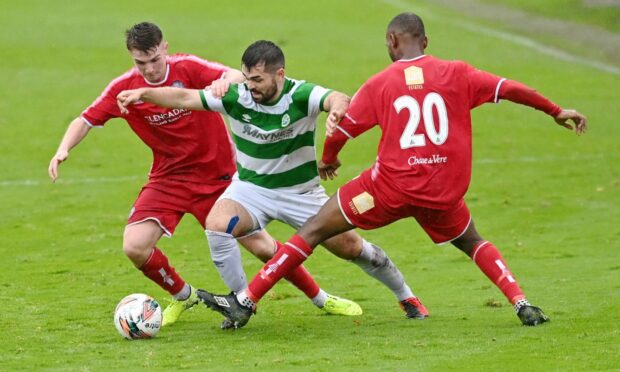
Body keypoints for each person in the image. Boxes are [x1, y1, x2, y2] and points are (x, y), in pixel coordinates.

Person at [194, 12, 588, 328]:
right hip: (444, 193)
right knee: (473, 242)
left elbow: (343, 129)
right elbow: (512, 88)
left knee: (313, 230)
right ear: (426, 42)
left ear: (390, 43)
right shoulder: (460, 73)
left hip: (386, 190)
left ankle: (245, 301)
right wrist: (555, 110)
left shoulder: (382, 83)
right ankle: (521, 302)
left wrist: (329, 158)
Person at [48, 22, 361, 329]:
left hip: (219, 179)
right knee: (135, 246)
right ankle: (183, 297)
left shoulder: (189, 67)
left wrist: (224, 82)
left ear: (165, 49)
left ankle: (321, 298)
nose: (150, 69)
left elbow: (237, 75)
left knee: (265, 248)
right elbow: (86, 119)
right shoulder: (124, 88)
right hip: (168, 180)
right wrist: (63, 149)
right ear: (132, 58)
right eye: (141, 63)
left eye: (155, 59)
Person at [117, 40, 428, 329]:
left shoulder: (301, 95)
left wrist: (335, 110)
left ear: (280, 74)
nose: (249, 86)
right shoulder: (236, 96)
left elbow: (337, 97)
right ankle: (239, 301)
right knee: (217, 224)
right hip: (251, 190)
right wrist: (143, 94)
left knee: (353, 249)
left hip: (301, 194)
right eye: (246, 78)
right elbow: (185, 96)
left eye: (257, 80)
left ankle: (406, 295)